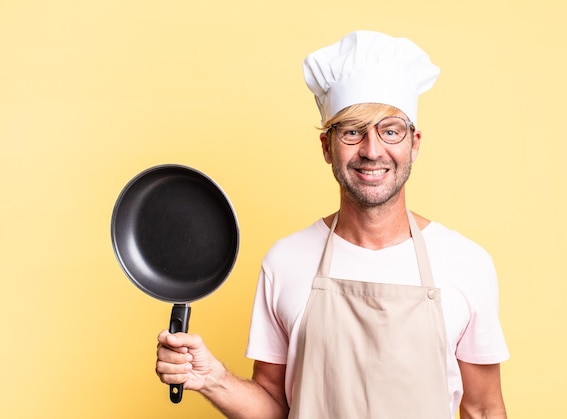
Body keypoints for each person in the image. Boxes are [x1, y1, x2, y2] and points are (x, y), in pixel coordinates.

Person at [156, 30, 509, 419]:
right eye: (352, 131)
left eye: (390, 131)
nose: (372, 151)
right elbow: (274, 407)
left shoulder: (465, 263)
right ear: (327, 146)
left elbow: (483, 409)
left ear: (414, 143)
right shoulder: (286, 261)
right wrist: (213, 378)